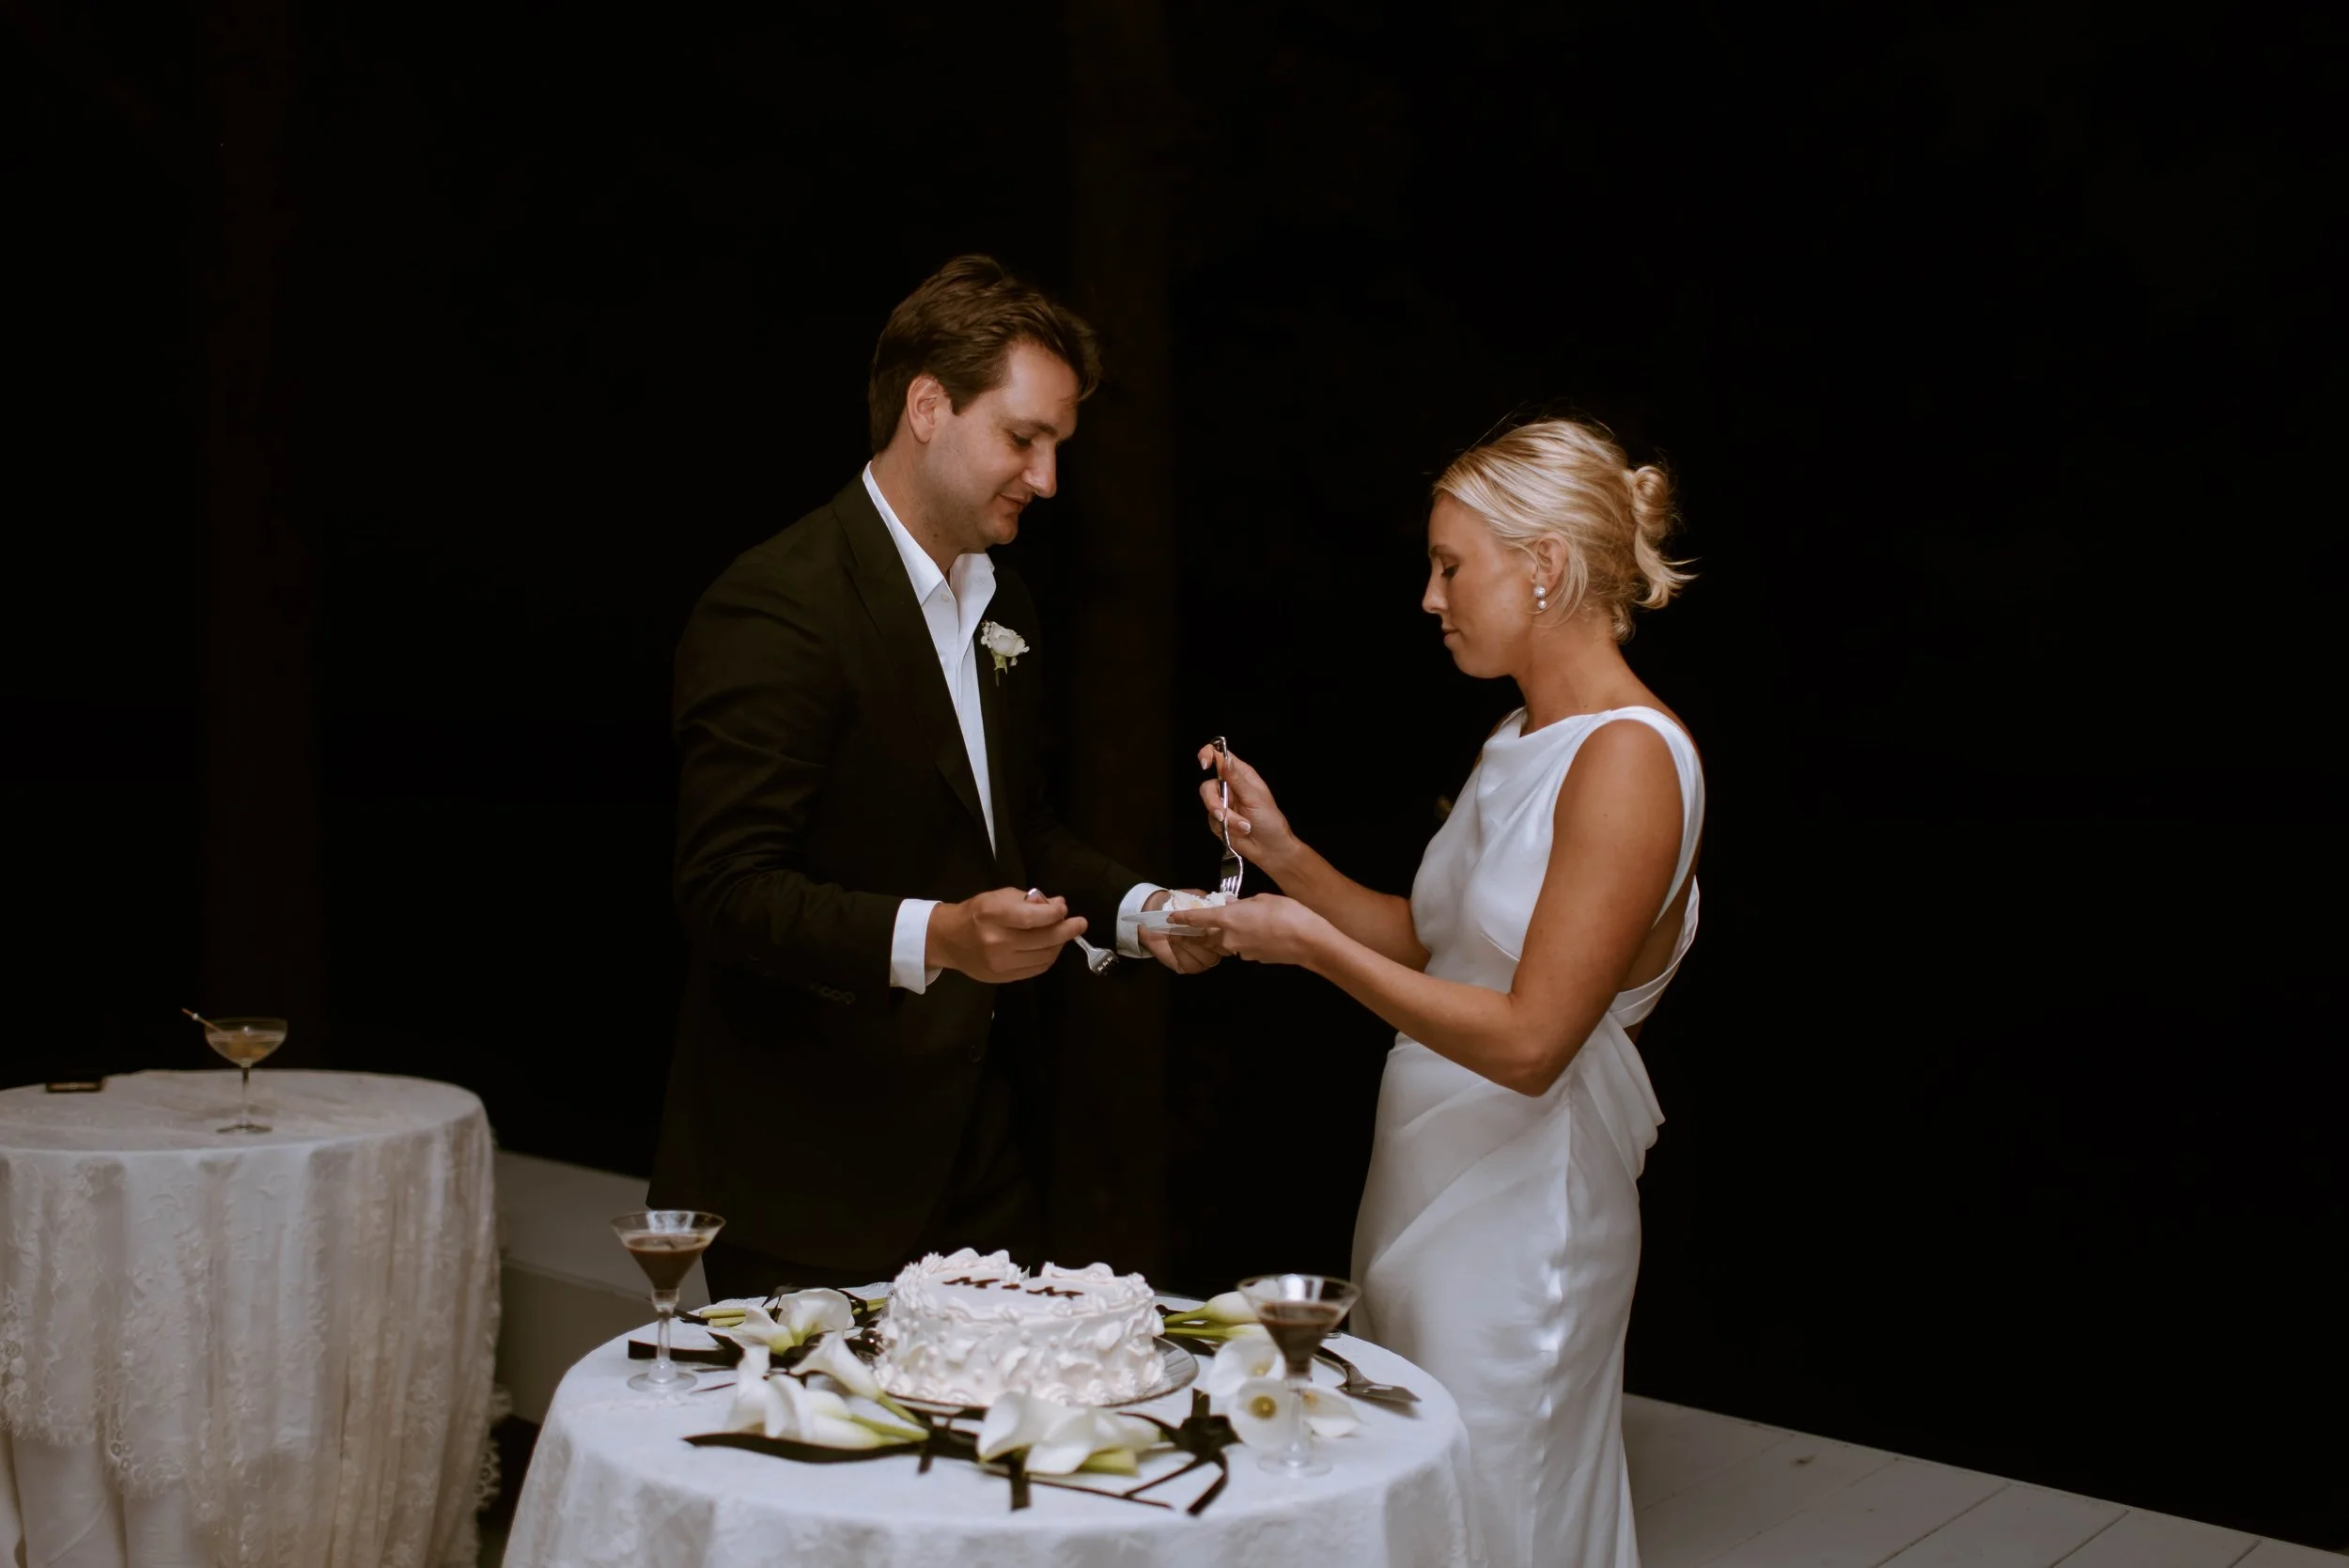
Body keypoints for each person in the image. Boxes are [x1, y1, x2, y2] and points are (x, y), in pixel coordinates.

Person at [1171, 418, 1702, 1568]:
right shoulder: (1517, 736)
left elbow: (1532, 1041)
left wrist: (1309, 948)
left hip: (1524, 1219)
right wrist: (1283, 854)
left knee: (1498, 1518)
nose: (1429, 596)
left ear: (1543, 564)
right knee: (1413, 1511)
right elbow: (1432, 945)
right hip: (1423, 1183)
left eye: (1451, 566)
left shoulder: (1630, 758)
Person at [650, 256, 1217, 1301]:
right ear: (926, 407)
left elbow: (1014, 832)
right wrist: (943, 937)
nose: (1047, 479)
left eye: (1057, 447)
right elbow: (727, 891)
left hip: (982, 1168)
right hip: (808, 1180)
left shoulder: (1006, 607)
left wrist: (1146, 912)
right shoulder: (778, 604)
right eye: (1023, 438)